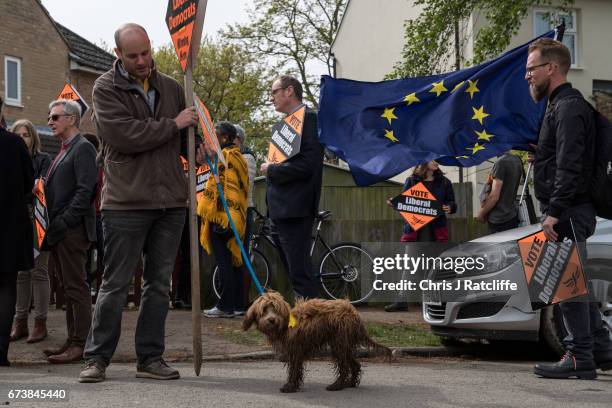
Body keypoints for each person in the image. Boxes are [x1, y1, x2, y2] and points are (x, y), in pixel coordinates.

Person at [79, 23, 198, 383]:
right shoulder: (104, 87)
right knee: (114, 284)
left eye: (146, 52)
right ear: (118, 55)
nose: (143, 61)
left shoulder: (174, 88)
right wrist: (175, 124)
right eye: (133, 56)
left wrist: (197, 145)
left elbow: (181, 141)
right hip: (126, 201)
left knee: (160, 285)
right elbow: (124, 135)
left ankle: (150, 358)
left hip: (171, 201)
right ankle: (96, 358)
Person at [525, 38, 612, 379]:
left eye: (531, 69)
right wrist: (541, 155)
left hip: (569, 210)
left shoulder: (569, 107)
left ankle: (578, 357)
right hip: (570, 208)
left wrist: (555, 211)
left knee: (566, 283)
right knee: (575, 282)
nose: (527, 76)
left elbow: (571, 164)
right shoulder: (561, 106)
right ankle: (601, 348)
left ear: (552, 68)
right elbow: (563, 157)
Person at [42, 99, 98, 364]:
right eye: (50, 117)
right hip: (61, 230)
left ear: (71, 119)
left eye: (55, 117)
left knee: (77, 287)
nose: (50, 121)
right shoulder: (65, 149)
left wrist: (63, 222)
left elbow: (85, 192)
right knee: (68, 288)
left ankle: (81, 343)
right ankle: (72, 339)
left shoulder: (83, 148)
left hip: (72, 231)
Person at [259, 75, 324, 300]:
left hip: (295, 209)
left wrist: (271, 169)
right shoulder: (284, 125)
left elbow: (308, 165)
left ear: (289, 91)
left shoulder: (310, 120)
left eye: (274, 91)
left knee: (299, 272)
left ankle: (311, 324)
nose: (271, 98)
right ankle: (304, 319)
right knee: (292, 271)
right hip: (279, 210)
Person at [385, 161, 457, 312]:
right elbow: (405, 203)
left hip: (436, 231)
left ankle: (439, 302)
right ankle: (402, 300)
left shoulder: (445, 182)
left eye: (438, 160)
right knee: (409, 267)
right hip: (415, 231)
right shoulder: (411, 181)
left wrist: (449, 207)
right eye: (433, 159)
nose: (437, 162)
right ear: (425, 160)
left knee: (436, 268)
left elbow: (453, 204)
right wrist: (395, 203)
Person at [198, 122, 248, 318]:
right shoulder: (238, 157)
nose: (212, 139)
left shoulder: (225, 157)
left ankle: (225, 306)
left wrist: (221, 215)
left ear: (225, 138)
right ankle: (236, 304)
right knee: (233, 263)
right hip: (234, 218)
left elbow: (226, 191)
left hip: (223, 219)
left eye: (215, 136)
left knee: (224, 263)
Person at [8, 119, 52, 343]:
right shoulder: (9, 158)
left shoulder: (43, 159)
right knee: (21, 273)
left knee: (39, 271)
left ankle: (40, 323)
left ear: (33, 137)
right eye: (18, 134)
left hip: (38, 221)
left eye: (26, 134)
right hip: (18, 221)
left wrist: (28, 191)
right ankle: (20, 322)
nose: (22, 138)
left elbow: (40, 188)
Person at [0, 95, 35, 366]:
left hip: (10, 225)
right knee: (6, 286)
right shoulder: (14, 144)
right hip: (9, 225)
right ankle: (1, 353)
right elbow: (28, 183)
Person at [233, 124, 256, 313]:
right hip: (233, 211)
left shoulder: (247, 157)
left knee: (243, 256)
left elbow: (243, 186)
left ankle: (242, 301)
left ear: (238, 139)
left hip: (244, 211)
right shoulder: (233, 156)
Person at [475, 151, 524, 233]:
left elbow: (494, 196)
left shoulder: (500, 163)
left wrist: (481, 214)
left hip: (499, 219)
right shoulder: (517, 160)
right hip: (512, 215)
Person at [82, 132, 104, 297]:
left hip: (101, 215)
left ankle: (101, 287)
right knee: (87, 254)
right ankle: (87, 286)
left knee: (103, 253)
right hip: (90, 215)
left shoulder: (102, 167)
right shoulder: (83, 166)